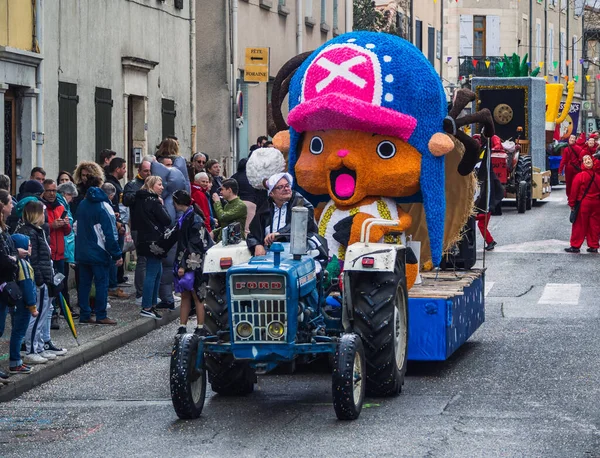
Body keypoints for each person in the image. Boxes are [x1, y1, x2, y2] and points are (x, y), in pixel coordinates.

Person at [17, 200, 66, 362]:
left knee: (44, 314)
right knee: (36, 316)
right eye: (42, 212)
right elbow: (35, 259)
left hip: (46, 277)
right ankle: (31, 350)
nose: (45, 215)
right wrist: (40, 280)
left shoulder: (38, 231)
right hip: (40, 280)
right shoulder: (30, 232)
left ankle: (39, 346)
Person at [75, 176, 122, 325]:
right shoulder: (104, 206)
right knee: (102, 283)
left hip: (82, 251)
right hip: (99, 251)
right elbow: (109, 233)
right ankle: (101, 315)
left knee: (84, 284)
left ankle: (85, 314)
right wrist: (116, 254)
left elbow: (76, 226)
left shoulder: (82, 204)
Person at [168, 190, 213, 334]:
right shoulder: (188, 217)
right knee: (186, 295)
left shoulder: (194, 219)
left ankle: (200, 327)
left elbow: (195, 245)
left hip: (195, 262)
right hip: (188, 260)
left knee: (197, 295)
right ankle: (182, 326)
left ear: (177, 202)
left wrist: (184, 266)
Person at [247, 173, 319, 256]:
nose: (286, 189)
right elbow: (253, 233)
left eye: (287, 185)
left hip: (297, 253)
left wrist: (279, 234)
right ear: (271, 193)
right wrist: (257, 245)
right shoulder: (265, 209)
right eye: (280, 187)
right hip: (269, 253)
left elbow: (301, 224)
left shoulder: (302, 204)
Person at [132, 176, 171, 319]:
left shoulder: (139, 200)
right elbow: (167, 220)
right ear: (151, 185)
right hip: (154, 240)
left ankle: (152, 304)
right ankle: (147, 306)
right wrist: (161, 204)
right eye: (159, 185)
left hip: (143, 238)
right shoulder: (154, 201)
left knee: (156, 271)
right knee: (152, 273)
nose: (162, 187)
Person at [41, 179, 72, 330]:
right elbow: (39, 227)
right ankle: (50, 315)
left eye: (54, 191)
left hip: (60, 254)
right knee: (49, 287)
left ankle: (57, 313)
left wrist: (66, 224)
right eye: (49, 190)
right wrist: (52, 226)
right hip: (48, 254)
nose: (52, 193)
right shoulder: (41, 207)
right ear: (44, 191)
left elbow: (68, 231)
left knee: (59, 285)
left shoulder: (60, 207)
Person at [8, 233, 39, 374]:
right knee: (19, 332)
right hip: (24, 305)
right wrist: (32, 306)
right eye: (28, 245)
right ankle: (15, 362)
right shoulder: (24, 265)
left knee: (16, 331)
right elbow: (27, 286)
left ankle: (16, 359)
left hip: (15, 303)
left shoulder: (15, 263)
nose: (30, 247)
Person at [123, 160, 152, 305]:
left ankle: (149, 292)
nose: (148, 174)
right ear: (139, 171)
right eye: (145, 171)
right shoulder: (132, 184)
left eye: (150, 171)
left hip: (151, 226)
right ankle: (140, 293)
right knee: (142, 260)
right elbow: (127, 200)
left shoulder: (153, 183)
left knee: (150, 260)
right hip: (138, 226)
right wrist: (140, 193)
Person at [0, 190, 20, 380]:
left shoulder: (4, 229)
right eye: (9, 203)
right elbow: (3, 258)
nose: (12, 205)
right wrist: (14, 257)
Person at [566, 155, 600, 253]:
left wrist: (572, 204)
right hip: (597, 204)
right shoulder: (598, 177)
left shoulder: (580, 176)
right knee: (594, 225)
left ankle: (575, 246)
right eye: (586, 160)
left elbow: (574, 192)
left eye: (588, 159)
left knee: (579, 225)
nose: (587, 161)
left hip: (584, 203)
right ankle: (593, 246)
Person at [105, 157, 129, 287]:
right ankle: (112, 284)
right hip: (116, 224)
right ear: (117, 169)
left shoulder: (116, 183)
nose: (125, 171)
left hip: (118, 222)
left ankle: (116, 280)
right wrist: (118, 221)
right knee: (115, 256)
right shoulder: (112, 185)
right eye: (124, 168)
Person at [56, 181, 78, 316]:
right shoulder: (61, 205)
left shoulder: (63, 205)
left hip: (63, 248)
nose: (72, 200)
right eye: (71, 196)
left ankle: (65, 308)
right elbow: (66, 230)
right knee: (61, 280)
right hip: (61, 248)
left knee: (61, 279)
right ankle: (65, 308)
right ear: (66, 194)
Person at [231, 158, 257, 234]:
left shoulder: (234, 177)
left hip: (238, 203)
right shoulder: (253, 177)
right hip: (252, 203)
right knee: (249, 228)